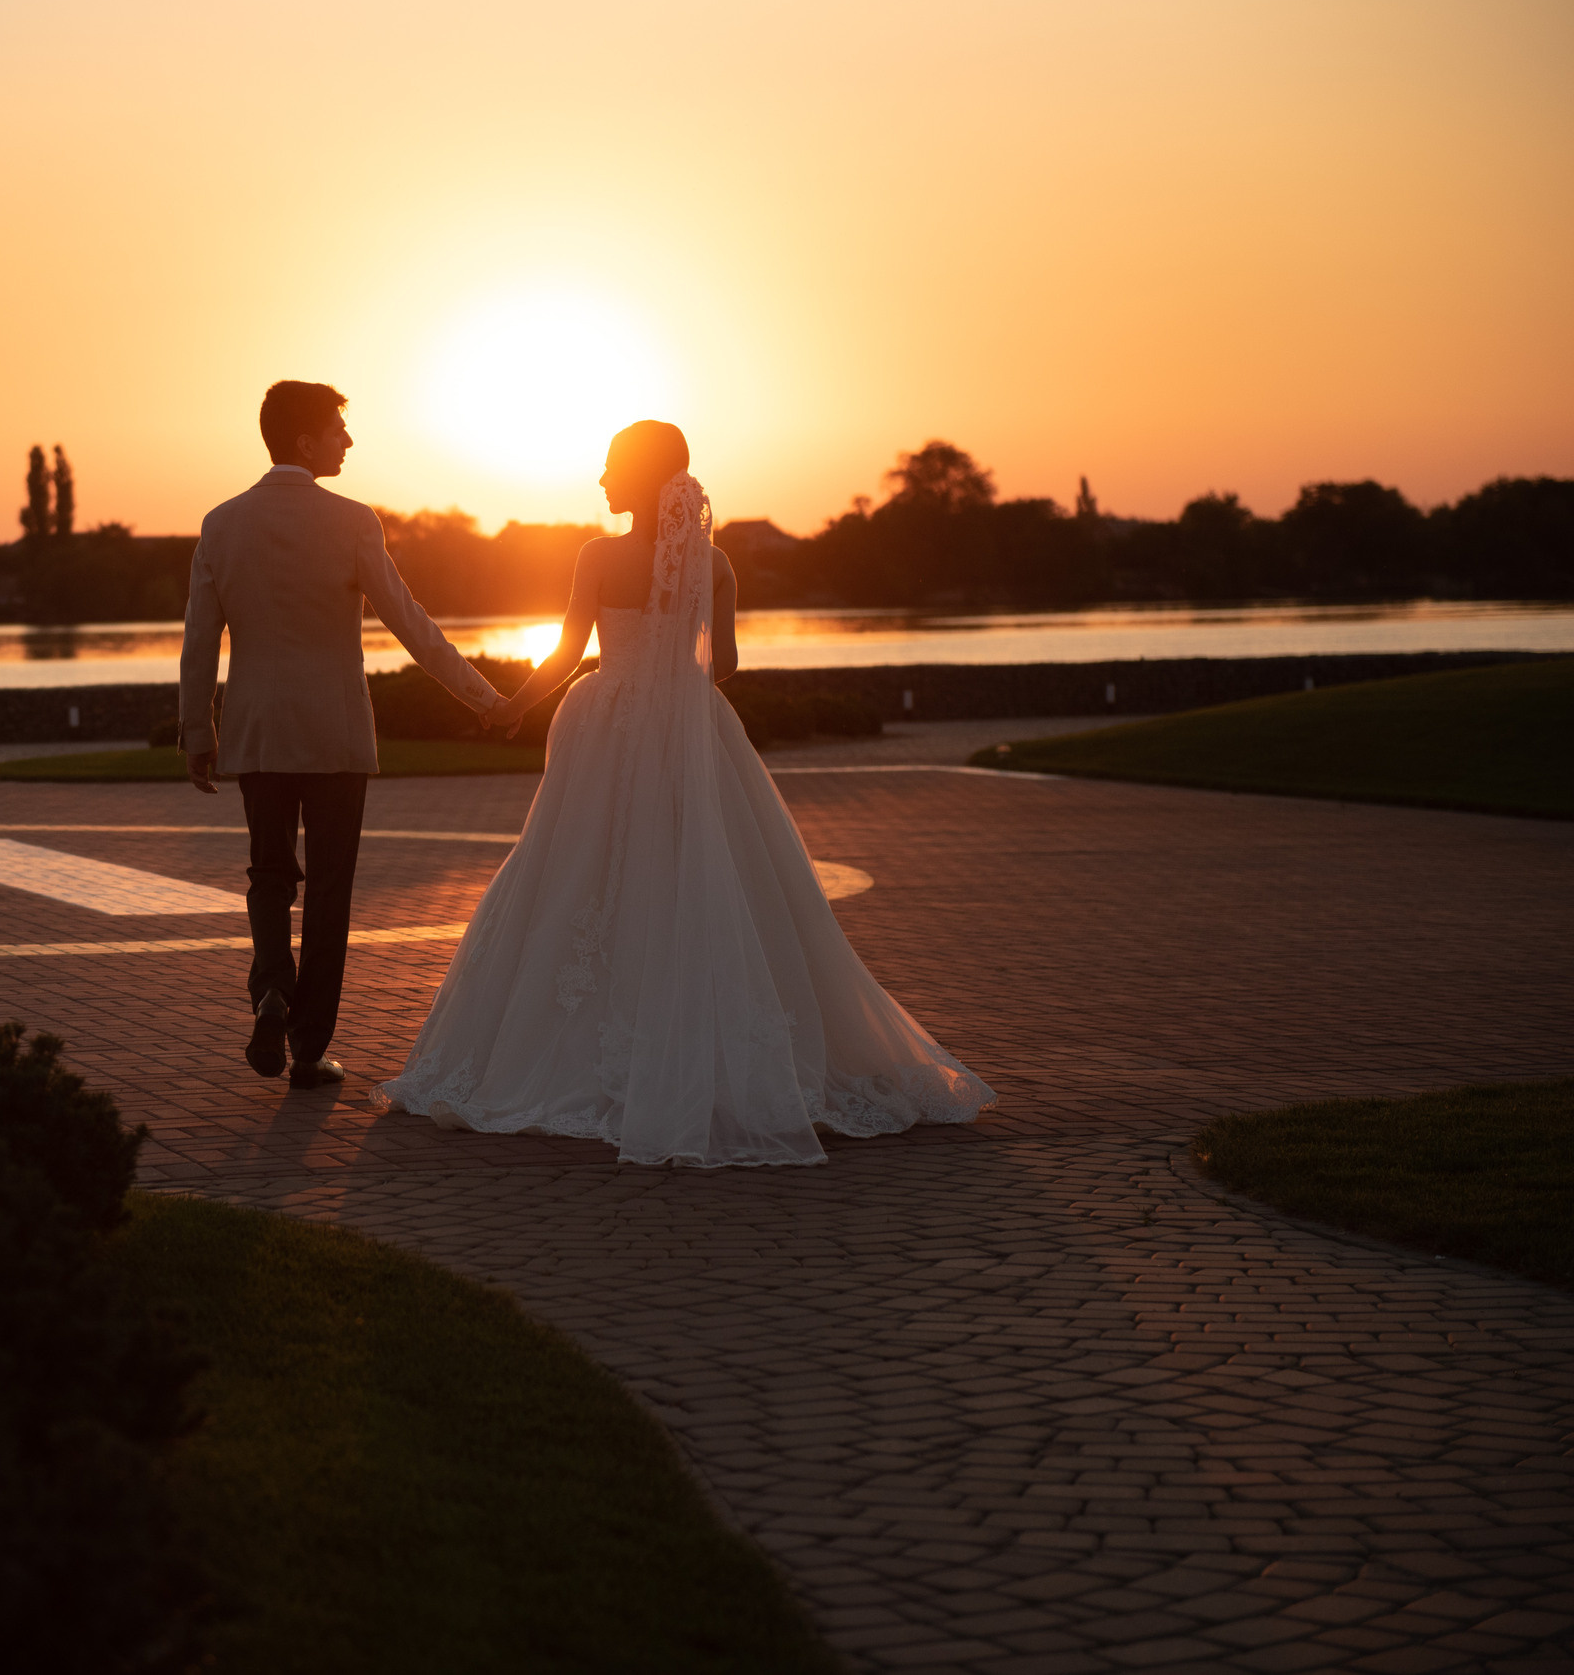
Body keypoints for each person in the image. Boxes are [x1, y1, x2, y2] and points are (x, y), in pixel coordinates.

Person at [372, 421, 993, 1164]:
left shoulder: (597, 557)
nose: (601, 481)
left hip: (607, 725)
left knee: (581, 868)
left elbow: (569, 654)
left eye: (609, 469)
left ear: (638, 479)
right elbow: (721, 663)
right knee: (707, 870)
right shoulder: (716, 562)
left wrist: (511, 705)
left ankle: (576, 1053)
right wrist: (675, 667)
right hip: (694, 726)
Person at [180, 381, 502, 1089]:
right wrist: (481, 696)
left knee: (268, 875)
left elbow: (201, 638)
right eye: (337, 430)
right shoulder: (354, 521)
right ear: (304, 441)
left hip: (257, 733)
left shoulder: (221, 523)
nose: (347, 442)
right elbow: (410, 623)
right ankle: (307, 1049)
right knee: (329, 890)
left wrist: (196, 728)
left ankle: (271, 990)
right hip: (335, 734)